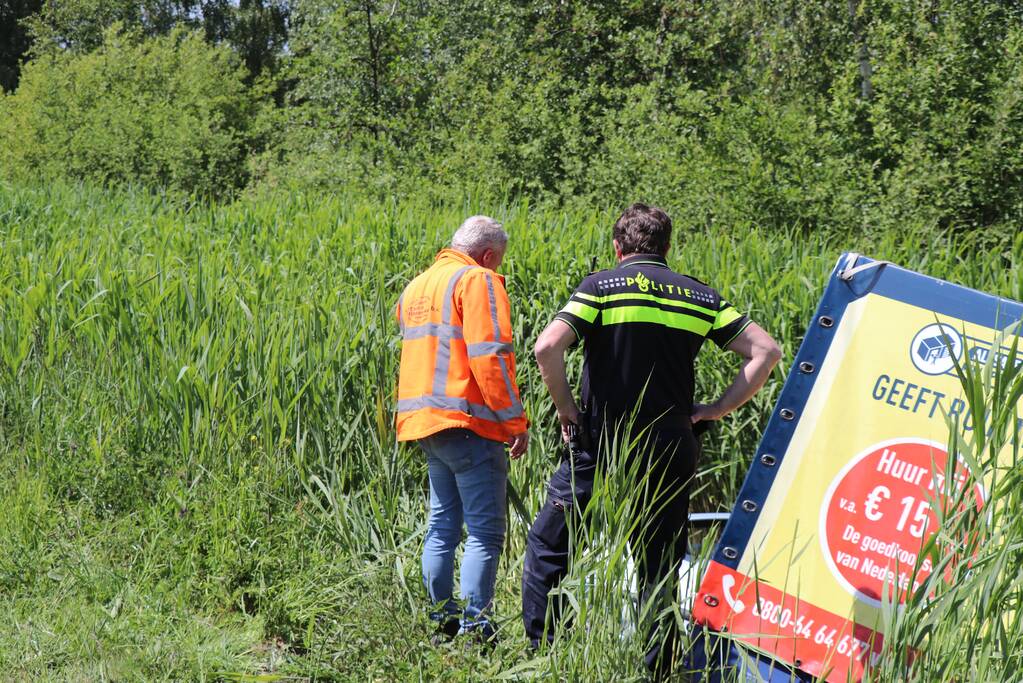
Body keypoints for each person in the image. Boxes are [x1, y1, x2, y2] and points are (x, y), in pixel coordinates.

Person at [523, 203, 781, 677]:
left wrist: (567, 411)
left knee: (550, 545)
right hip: (670, 443)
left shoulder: (600, 286)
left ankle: (547, 655)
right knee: (659, 562)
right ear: (667, 247)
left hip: (602, 442)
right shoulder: (699, 296)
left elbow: (546, 347)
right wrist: (715, 409)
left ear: (618, 247)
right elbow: (766, 351)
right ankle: (658, 668)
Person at [395, 215, 530, 645]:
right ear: (487, 255)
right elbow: (490, 357)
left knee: (442, 526)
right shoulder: (477, 280)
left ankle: (443, 623)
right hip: (469, 424)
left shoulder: (417, 286)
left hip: (425, 425)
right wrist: (514, 422)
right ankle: (476, 632)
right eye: (497, 261)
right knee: (485, 533)